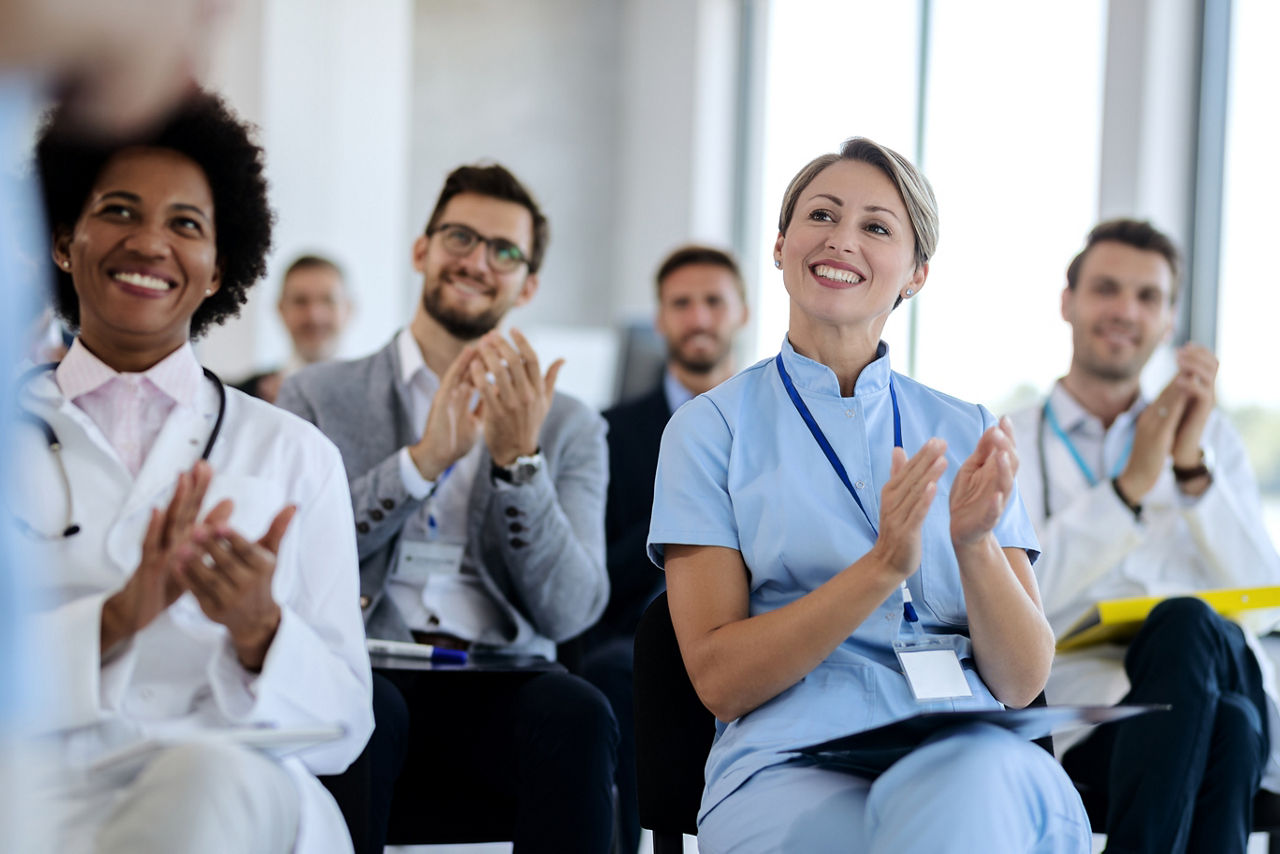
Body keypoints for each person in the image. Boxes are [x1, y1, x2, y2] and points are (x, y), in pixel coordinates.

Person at [647, 137, 1091, 853]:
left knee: (969, 787)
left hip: (968, 745)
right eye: (822, 215)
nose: (841, 239)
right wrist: (883, 566)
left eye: (876, 226)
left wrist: (975, 546)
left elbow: (1020, 680)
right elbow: (721, 682)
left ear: (916, 274)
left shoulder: (967, 429)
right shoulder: (709, 430)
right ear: (782, 244)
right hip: (791, 761)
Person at [18, 90, 373, 854]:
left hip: (234, 797)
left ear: (219, 269)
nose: (149, 242)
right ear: (61, 240)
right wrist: (114, 619)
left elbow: (346, 726)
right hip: (35, 789)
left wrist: (261, 633)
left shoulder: (293, 452)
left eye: (186, 224)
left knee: (209, 780)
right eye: (117, 210)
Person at [277, 162, 617, 853]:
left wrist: (520, 463)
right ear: (421, 250)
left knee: (578, 712)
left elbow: (572, 610)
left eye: (504, 251)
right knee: (368, 707)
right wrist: (421, 462)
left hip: (504, 676)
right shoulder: (315, 395)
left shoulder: (570, 425)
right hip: (368, 667)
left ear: (528, 283)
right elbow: (295, 562)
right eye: (459, 237)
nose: (477, 261)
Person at [1006, 218, 1280, 853]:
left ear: (1168, 319)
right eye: (1106, 288)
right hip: (1092, 718)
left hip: (1215, 670)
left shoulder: (1211, 443)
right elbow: (1013, 599)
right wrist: (1128, 490)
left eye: (1148, 297)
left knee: (1187, 626)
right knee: (1232, 727)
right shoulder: (1007, 439)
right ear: (1068, 302)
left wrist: (1189, 472)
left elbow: (1266, 596)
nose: (1125, 310)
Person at [584, 243, 747, 853]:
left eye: (713, 302)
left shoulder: (774, 424)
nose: (699, 318)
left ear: (742, 312)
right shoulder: (608, 431)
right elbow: (595, 573)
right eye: (682, 304)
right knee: (620, 671)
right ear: (660, 320)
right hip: (635, 636)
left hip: (756, 623)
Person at [237, 254, 353, 403]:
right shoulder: (245, 399)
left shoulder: (379, 398)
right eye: (300, 301)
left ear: (349, 309)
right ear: (281, 309)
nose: (314, 316)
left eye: (328, 300)